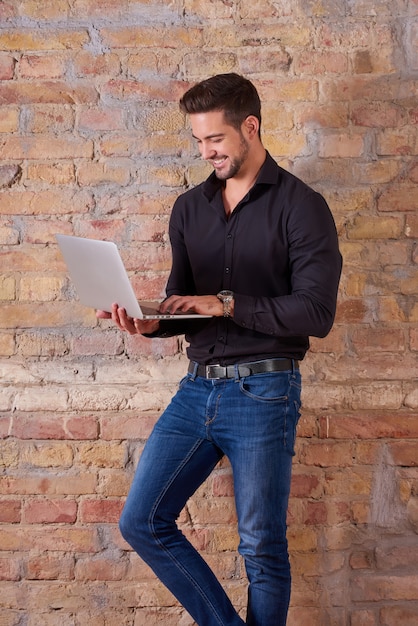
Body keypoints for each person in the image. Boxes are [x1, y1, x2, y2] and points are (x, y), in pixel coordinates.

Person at [97, 73, 342, 626]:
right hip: (196, 389)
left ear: (249, 128)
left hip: (265, 390)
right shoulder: (189, 209)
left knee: (260, 548)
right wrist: (149, 322)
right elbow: (186, 302)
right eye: (198, 142)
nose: (206, 152)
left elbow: (316, 313)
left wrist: (227, 303)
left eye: (215, 140)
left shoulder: (303, 207)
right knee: (142, 520)